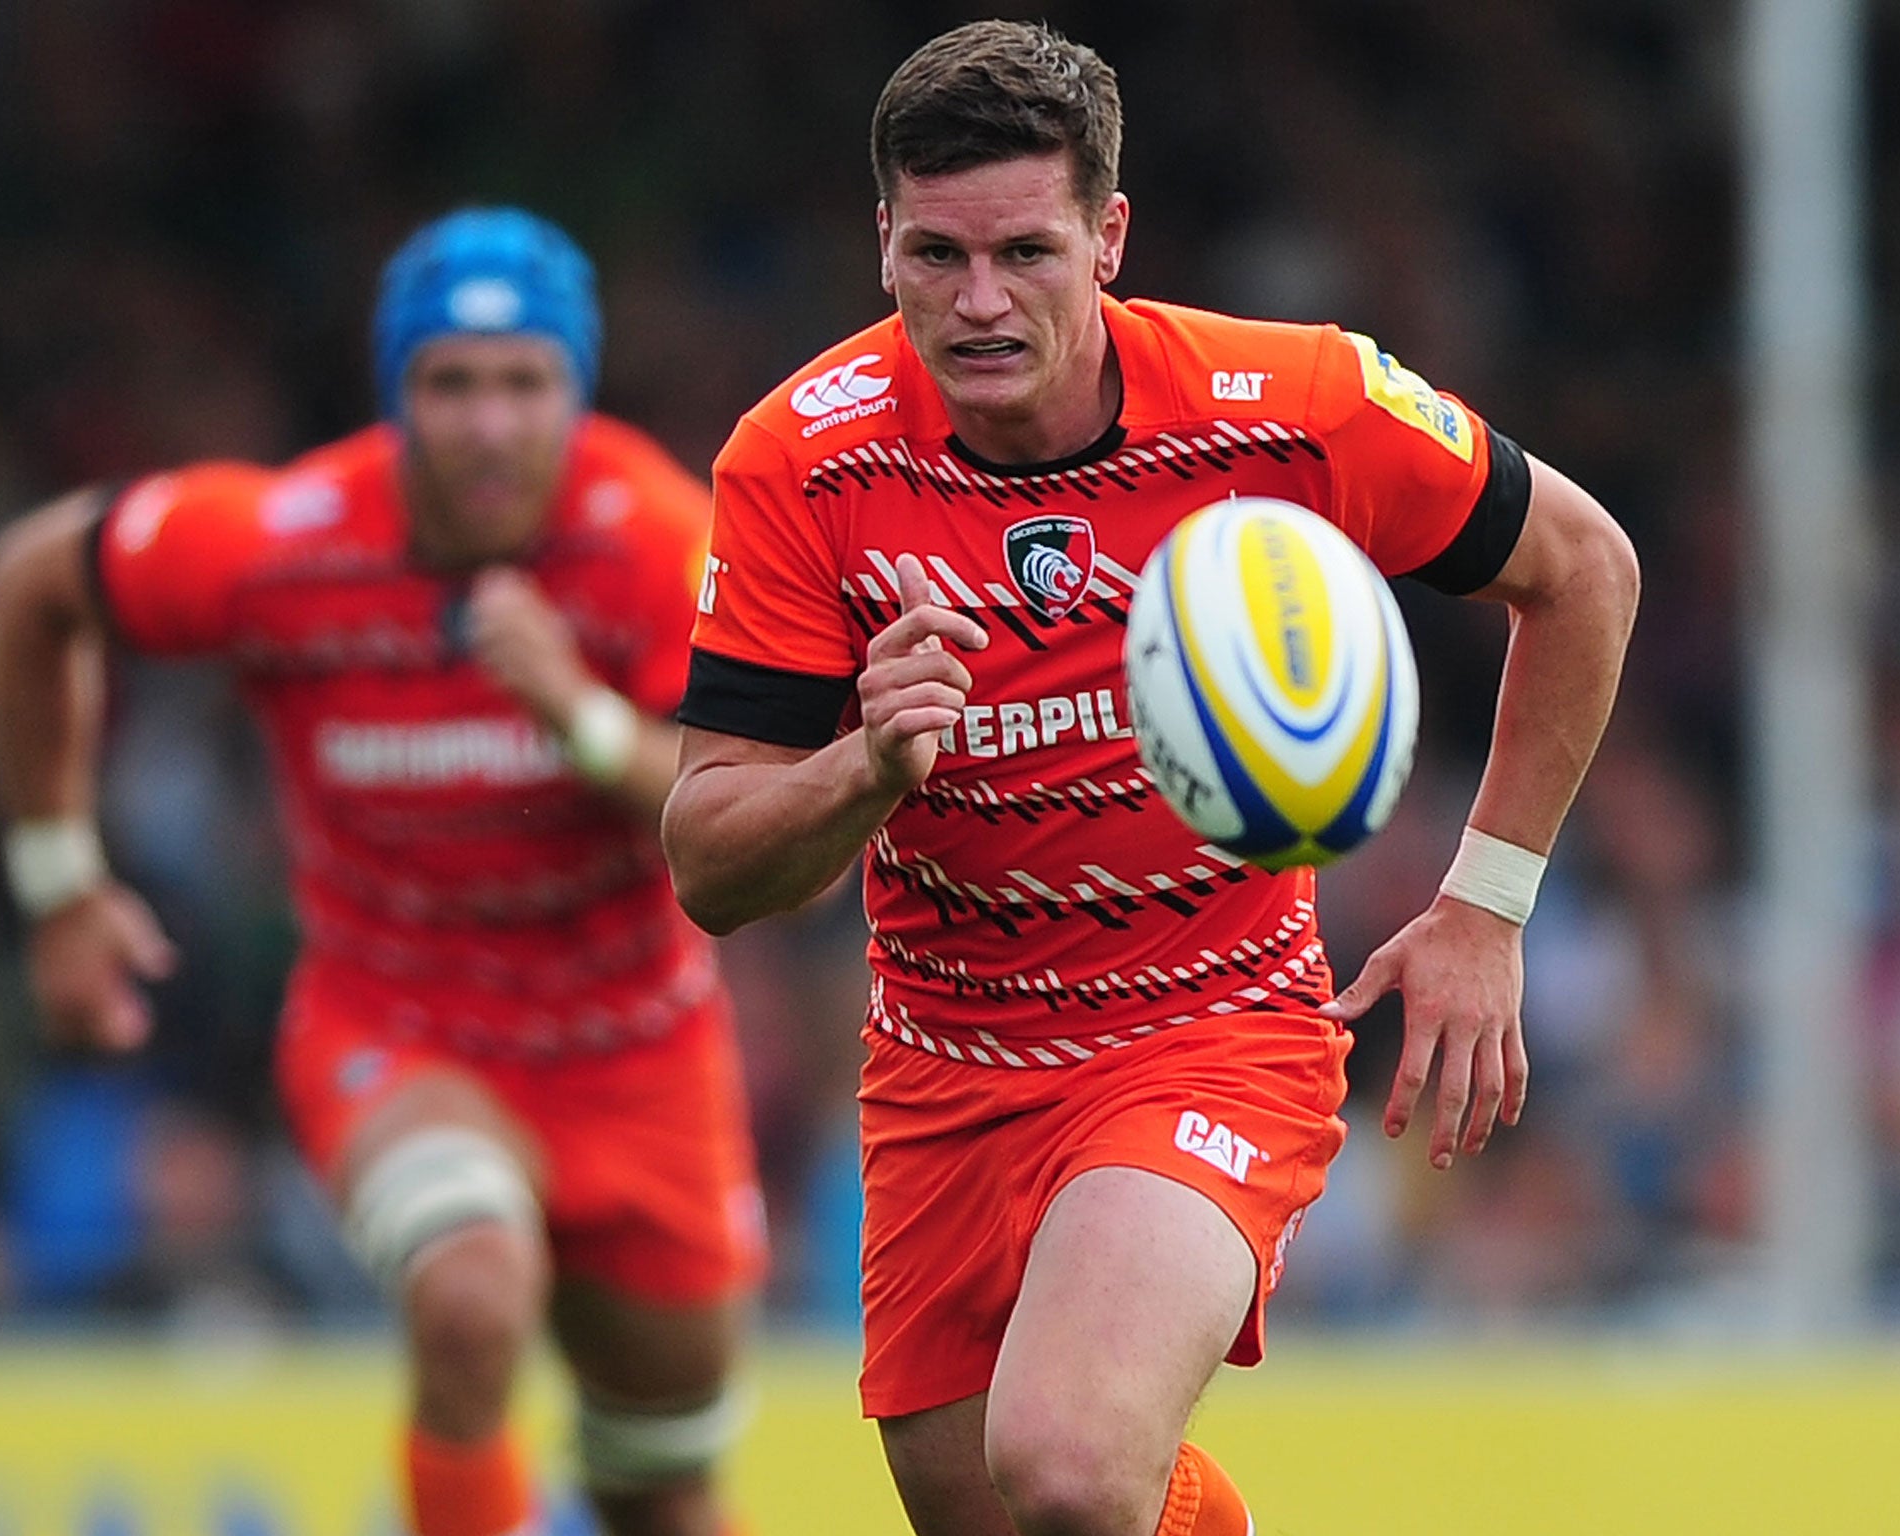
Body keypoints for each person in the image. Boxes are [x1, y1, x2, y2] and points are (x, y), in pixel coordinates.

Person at [661, 20, 1639, 1536]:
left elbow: (1584, 570)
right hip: (944, 1063)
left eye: (1027, 254)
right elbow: (712, 864)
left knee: (1062, 1462)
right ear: (883, 245)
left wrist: (1487, 901)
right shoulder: (800, 462)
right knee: (1013, 1506)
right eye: (936, 256)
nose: (979, 303)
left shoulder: (1290, 404)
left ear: (1109, 236)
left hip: (1209, 1028)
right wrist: (861, 769)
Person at [0, 207, 765, 1536]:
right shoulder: (291, 541)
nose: (490, 424)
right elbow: (29, 583)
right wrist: (58, 887)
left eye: (526, 384)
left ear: (575, 391)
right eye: (450, 383)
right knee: (470, 1296)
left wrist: (572, 712)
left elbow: (739, 818)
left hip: (638, 1058)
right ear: (397, 392)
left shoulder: (655, 541)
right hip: (398, 1030)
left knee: (662, 1484)